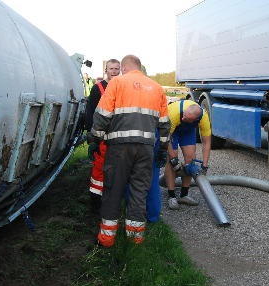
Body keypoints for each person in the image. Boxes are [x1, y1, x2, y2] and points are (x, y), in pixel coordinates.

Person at [88, 55, 170, 247]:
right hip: (146, 150)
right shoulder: (156, 88)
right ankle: (135, 239)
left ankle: (107, 239)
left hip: (119, 149)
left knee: (113, 190)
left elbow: (102, 115)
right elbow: (165, 124)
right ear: (139, 68)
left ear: (124, 68)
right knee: (139, 191)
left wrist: (95, 139)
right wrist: (164, 148)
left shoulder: (117, 83)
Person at [85, 59, 121, 210]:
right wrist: (90, 136)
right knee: (99, 171)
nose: (114, 71)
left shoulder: (122, 87)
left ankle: (112, 201)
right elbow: (90, 111)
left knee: (116, 170)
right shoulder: (97, 88)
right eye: (111, 68)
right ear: (106, 70)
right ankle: (95, 204)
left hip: (118, 136)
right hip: (101, 137)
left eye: (116, 68)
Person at [164, 100, 212, 209]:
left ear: (196, 119)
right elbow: (166, 139)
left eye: (186, 118)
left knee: (191, 159)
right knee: (171, 160)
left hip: (188, 130)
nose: (183, 119)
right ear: (184, 111)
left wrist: (204, 165)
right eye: (184, 115)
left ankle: (184, 195)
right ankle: (171, 196)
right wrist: (174, 160)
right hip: (171, 131)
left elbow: (207, 142)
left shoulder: (203, 118)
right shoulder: (174, 114)